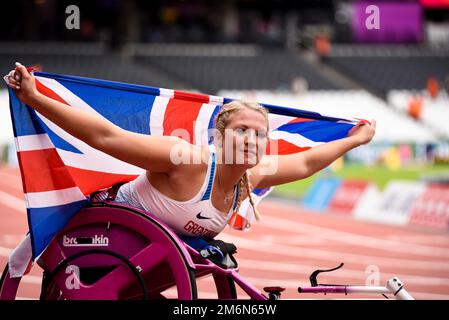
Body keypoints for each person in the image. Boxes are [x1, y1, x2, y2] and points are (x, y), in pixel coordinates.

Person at [5, 64, 376, 240]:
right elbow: (107, 138)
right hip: (102, 241)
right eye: (241, 130)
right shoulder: (188, 159)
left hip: (148, 263)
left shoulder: (253, 177)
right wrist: (36, 99)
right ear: (218, 136)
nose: (251, 140)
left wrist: (354, 140)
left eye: (260, 135)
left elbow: (307, 161)